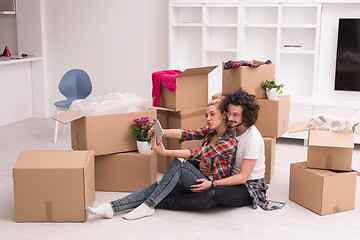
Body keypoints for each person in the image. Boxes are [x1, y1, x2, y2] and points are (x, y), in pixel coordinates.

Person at [87, 97, 237, 220]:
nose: (208, 119)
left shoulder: (228, 142)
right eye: (206, 115)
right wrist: (162, 132)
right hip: (200, 179)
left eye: (212, 114)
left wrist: (165, 152)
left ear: (224, 115)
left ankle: (149, 206)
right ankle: (111, 207)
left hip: (211, 187)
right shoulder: (210, 132)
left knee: (180, 162)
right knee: (159, 185)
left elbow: (199, 152)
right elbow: (186, 133)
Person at [156, 88, 285, 211]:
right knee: (187, 163)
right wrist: (160, 132)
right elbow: (191, 133)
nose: (229, 118)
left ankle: (165, 201)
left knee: (213, 194)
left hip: (247, 185)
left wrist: (213, 184)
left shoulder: (252, 139)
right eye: (229, 113)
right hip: (227, 174)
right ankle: (165, 190)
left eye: (235, 115)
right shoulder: (230, 128)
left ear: (245, 116)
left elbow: (242, 177)